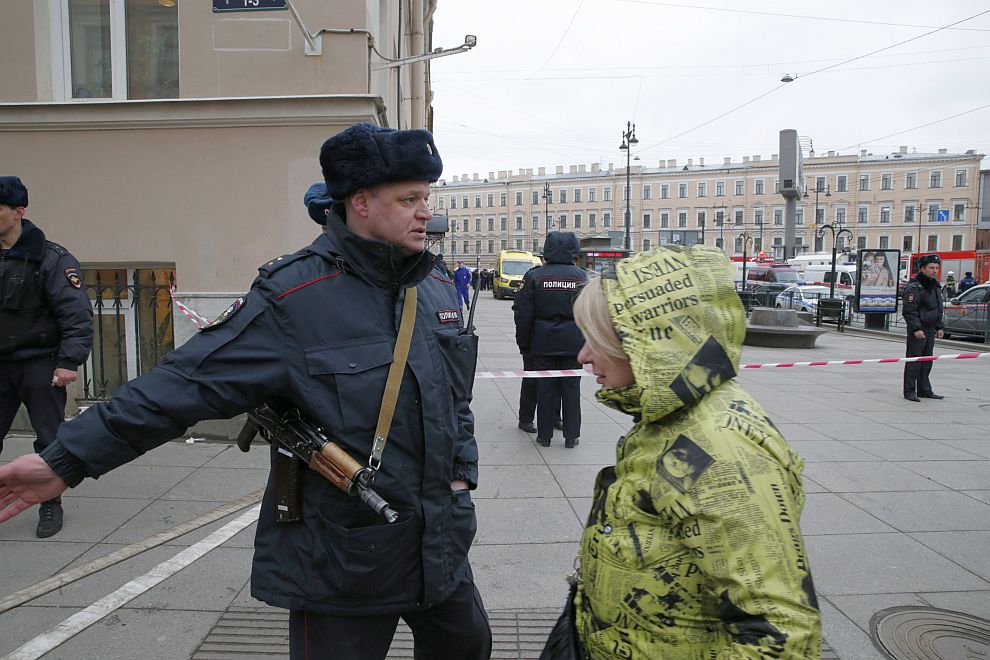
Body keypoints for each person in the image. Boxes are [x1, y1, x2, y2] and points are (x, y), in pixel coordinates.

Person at [0, 124, 491, 660]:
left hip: (438, 540)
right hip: (343, 558)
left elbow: (453, 397)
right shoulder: (293, 298)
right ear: (361, 203)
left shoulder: (436, 284)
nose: (427, 212)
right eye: (409, 199)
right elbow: (179, 387)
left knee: (469, 647)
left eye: (427, 197)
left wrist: (460, 475)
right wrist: (64, 460)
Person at [568, 245, 821, 658]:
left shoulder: (721, 450)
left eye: (597, 341)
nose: (583, 356)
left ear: (649, 344)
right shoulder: (671, 412)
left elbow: (783, 636)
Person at [0, 176, 93, 538]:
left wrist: (68, 362)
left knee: (49, 439)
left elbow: (75, 314)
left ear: (18, 212)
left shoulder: (49, 258)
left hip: (40, 362)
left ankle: (50, 504)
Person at [512, 232, 586, 448]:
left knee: (545, 388)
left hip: (542, 342)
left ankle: (544, 435)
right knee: (572, 388)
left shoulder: (535, 276)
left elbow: (523, 314)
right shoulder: (582, 276)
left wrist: (524, 344)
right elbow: (592, 314)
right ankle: (571, 436)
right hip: (574, 342)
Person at [902, 253, 945, 402]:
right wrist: (916, 329)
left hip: (930, 328)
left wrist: (939, 326)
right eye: (931, 268)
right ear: (922, 269)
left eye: (936, 268)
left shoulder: (934, 286)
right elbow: (909, 311)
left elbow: (938, 308)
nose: (934, 271)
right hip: (918, 330)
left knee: (927, 361)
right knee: (914, 361)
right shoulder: (915, 287)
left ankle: (925, 390)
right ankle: (909, 391)